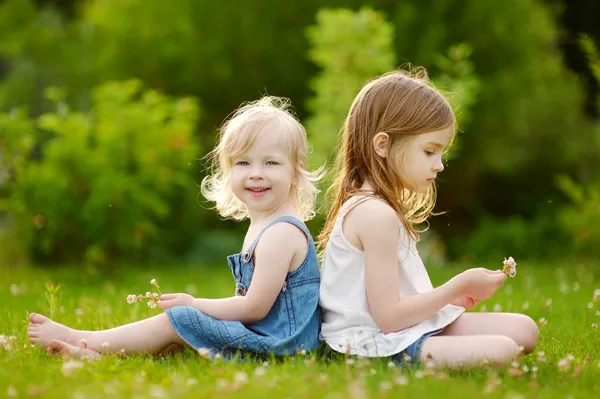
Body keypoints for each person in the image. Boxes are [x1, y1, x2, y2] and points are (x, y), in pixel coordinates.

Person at [27, 96, 323, 361]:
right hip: (269, 338)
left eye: (271, 163)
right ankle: (96, 356)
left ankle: (87, 340)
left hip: (281, 348)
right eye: (244, 163)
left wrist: (195, 304)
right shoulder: (265, 223)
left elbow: (255, 308)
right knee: (183, 331)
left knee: (181, 319)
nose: (256, 174)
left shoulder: (281, 234)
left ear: (295, 172)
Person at [317, 69, 539, 368]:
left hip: (399, 328)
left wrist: (450, 302)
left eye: (441, 153)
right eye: (430, 151)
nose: (440, 166)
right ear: (382, 145)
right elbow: (388, 318)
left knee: (525, 330)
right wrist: (458, 286)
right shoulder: (374, 214)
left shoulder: (379, 207)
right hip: (368, 342)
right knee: (503, 350)